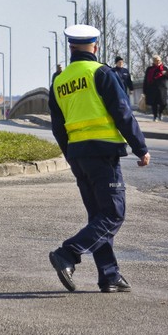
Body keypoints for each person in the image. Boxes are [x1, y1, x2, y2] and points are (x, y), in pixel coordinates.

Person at [48, 24, 151, 293]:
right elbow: (122, 111)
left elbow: (58, 128)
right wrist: (140, 148)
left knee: (98, 216)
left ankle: (109, 275)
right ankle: (68, 253)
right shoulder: (101, 72)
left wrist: (71, 156)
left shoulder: (59, 81)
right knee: (113, 213)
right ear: (95, 47)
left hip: (79, 156)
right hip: (103, 153)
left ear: (70, 47)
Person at [143, 55, 168, 121]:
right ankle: (155, 116)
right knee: (154, 103)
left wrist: (165, 73)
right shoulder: (150, 69)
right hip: (152, 88)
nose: (157, 62)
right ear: (153, 61)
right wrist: (144, 90)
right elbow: (146, 79)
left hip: (162, 89)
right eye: (156, 60)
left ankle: (160, 113)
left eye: (158, 60)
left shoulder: (164, 68)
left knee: (163, 103)